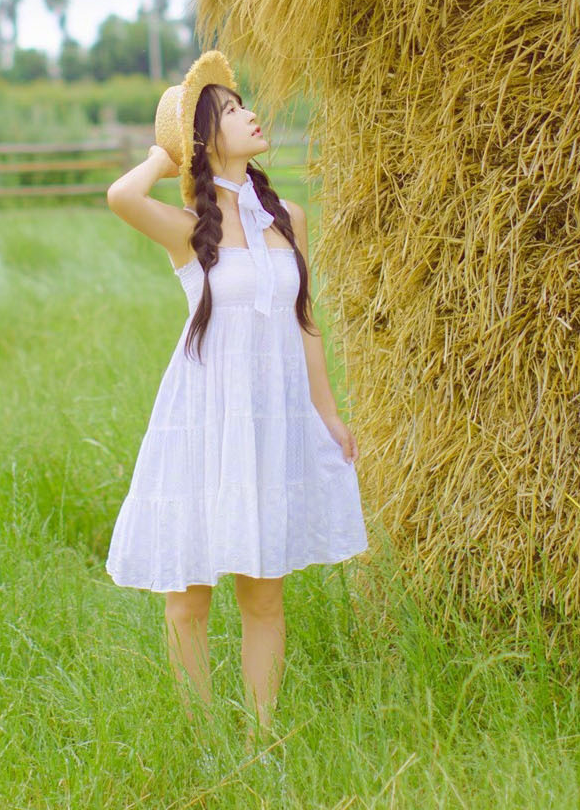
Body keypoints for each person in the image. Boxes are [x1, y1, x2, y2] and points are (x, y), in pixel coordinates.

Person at [103, 49, 369, 757]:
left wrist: (328, 412)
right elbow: (120, 197)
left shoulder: (290, 219)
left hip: (270, 423)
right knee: (189, 596)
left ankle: (260, 743)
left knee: (264, 594)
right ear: (203, 139)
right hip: (201, 421)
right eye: (228, 110)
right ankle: (201, 739)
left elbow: (305, 322)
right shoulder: (189, 229)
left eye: (241, 102)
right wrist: (169, 154)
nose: (251, 113)